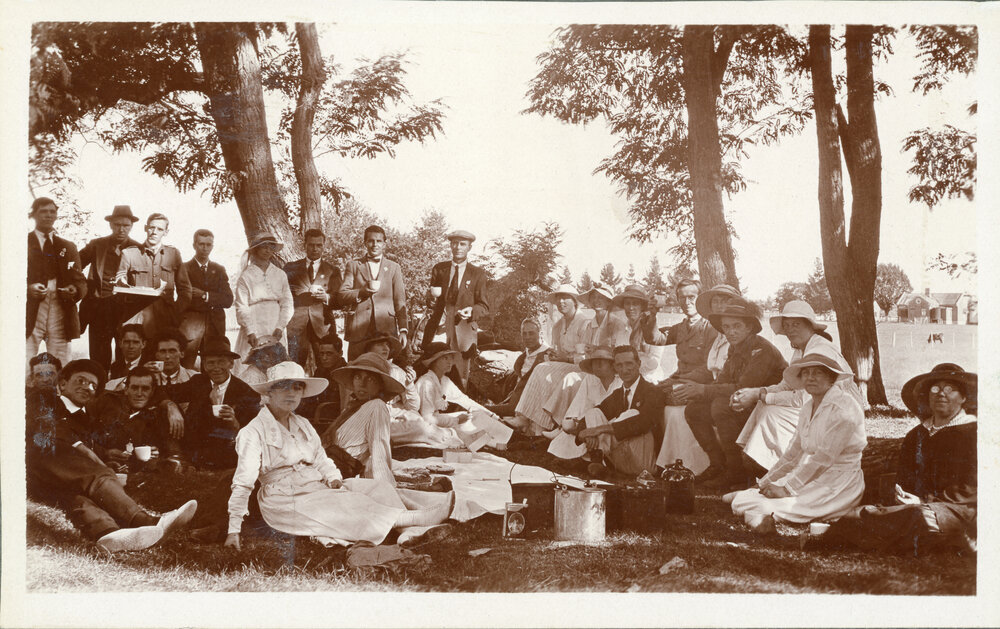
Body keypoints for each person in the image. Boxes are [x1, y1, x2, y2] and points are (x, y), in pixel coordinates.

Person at [225, 361, 453, 550]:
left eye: (297, 388)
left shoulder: (302, 424)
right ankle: (412, 520)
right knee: (348, 502)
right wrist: (233, 530)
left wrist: (333, 477)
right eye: (283, 387)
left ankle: (407, 532)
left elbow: (321, 459)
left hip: (315, 484)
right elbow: (243, 483)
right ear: (268, 393)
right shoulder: (252, 432)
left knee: (376, 488)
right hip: (284, 499)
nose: (291, 393)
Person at [26, 359, 197, 552]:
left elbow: (88, 445)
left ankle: (108, 533)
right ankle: (148, 520)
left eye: (93, 385)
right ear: (63, 383)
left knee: (78, 499)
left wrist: (107, 454)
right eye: (81, 381)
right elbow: (52, 430)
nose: (87, 387)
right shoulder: (45, 398)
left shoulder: (83, 417)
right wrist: (91, 455)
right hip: (38, 466)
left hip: (56, 482)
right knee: (97, 474)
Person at [816, 363, 977, 555]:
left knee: (920, 518)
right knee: (859, 515)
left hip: (957, 510)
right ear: (927, 396)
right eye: (935, 388)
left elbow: (970, 488)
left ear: (964, 397)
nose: (941, 393)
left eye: (950, 389)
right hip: (912, 508)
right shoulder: (916, 435)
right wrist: (905, 496)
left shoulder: (974, 433)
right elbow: (905, 478)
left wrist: (923, 501)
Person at [726, 354, 866, 533]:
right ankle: (749, 502)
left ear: (831, 378)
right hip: (813, 477)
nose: (811, 378)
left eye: (818, 373)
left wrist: (787, 489)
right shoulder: (807, 407)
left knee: (760, 505)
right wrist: (763, 483)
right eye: (806, 373)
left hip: (838, 484)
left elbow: (824, 459)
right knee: (755, 496)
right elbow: (792, 455)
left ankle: (756, 512)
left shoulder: (844, 408)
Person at [732, 300, 860, 473]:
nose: (790, 329)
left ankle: (771, 466)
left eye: (796, 324)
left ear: (810, 326)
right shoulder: (801, 350)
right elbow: (788, 385)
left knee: (771, 412)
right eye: (787, 325)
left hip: (837, 410)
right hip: (817, 405)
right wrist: (759, 392)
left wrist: (763, 396)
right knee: (765, 406)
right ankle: (758, 462)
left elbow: (806, 397)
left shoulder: (820, 350)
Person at [683, 298, 787, 489]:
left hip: (770, 406)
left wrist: (704, 390)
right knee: (694, 410)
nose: (730, 331)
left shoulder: (762, 350)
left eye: (736, 326)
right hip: (746, 404)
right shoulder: (735, 347)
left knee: (721, 406)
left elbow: (744, 386)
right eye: (726, 327)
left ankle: (737, 473)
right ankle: (718, 464)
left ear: (749, 328)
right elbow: (723, 381)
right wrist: (696, 392)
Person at [160, 338, 262, 468]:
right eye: (211, 363)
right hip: (192, 442)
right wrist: (170, 405)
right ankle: (177, 456)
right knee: (162, 409)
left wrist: (234, 423)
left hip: (225, 448)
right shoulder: (198, 382)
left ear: (231, 364)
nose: (216, 368)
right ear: (204, 365)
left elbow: (251, 432)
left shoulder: (246, 392)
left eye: (221, 362)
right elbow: (162, 391)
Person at [508, 286, 589, 435]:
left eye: (566, 298)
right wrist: (554, 354)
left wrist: (567, 358)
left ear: (575, 301)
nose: (561, 302)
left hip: (580, 367)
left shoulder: (584, 323)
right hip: (561, 365)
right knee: (543, 369)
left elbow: (586, 358)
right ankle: (532, 423)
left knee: (542, 369)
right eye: (558, 299)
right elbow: (557, 350)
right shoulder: (558, 326)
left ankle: (528, 419)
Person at [576, 345, 666, 476]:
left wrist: (599, 430)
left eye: (629, 364)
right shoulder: (618, 394)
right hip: (620, 456)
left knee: (632, 413)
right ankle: (599, 459)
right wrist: (582, 434)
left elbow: (644, 422)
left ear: (638, 364)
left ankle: (598, 457)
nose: (624, 370)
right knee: (593, 413)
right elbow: (591, 416)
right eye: (619, 365)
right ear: (615, 368)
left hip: (644, 462)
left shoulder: (652, 391)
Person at [320, 353, 401, 485]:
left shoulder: (377, 406)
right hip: (324, 467)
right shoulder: (354, 406)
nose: (362, 384)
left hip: (336, 473)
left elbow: (379, 452)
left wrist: (386, 489)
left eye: (370, 380)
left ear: (380, 385)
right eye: (358, 377)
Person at [412, 343, 510, 450]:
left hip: (437, 420)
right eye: (445, 358)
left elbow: (464, 400)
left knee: (476, 415)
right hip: (423, 425)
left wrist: (493, 416)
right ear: (434, 361)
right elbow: (427, 418)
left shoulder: (444, 380)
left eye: (451, 358)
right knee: (471, 420)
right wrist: (456, 420)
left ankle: (505, 439)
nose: (450, 362)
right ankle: (502, 442)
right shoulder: (427, 383)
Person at [421, 230, 490, 384]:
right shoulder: (439, 269)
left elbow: (484, 306)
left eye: (462, 244)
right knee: (432, 367)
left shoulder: (477, 273)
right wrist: (430, 299)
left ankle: (458, 404)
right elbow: (432, 300)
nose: (458, 247)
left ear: (469, 247)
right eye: (454, 243)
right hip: (440, 326)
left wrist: (472, 310)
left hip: (463, 329)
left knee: (461, 374)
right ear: (450, 246)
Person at [79, 205, 142, 370]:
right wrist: (83, 287)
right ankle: (99, 391)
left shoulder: (139, 249)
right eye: (117, 224)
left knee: (125, 356)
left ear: (131, 226)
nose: (121, 229)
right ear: (111, 225)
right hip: (99, 307)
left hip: (126, 310)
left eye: (126, 225)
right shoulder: (97, 245)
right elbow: (74, 265)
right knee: (98, 357)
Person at [26, 196, 87, 368]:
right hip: (30, 309)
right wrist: (27, 289)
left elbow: (80, 281)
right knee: (24, 355)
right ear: (34, 215)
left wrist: (74, 290)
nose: (48, 215)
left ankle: (59, 394)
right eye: (43, 211)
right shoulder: (22, 243)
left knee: (61, 359)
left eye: (52, 211)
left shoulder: (67, 247)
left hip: (60, 308)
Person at [114, 212, 193, 341]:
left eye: (160, 229)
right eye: (152, 227)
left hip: (166, 321)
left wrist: (174, 312)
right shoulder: (129, 253)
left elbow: (185, 290)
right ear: (146, 228)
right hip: (137, 321)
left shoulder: (173, 254)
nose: (154, 232)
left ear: (166, 232)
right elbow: (119, 283)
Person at [338, 225, 408, 360]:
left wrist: (403, 329)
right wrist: (361, 292)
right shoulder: (353, 265)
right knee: (357, 367)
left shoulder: (394, 267)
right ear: (365, 243)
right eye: (370, 241)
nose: (374, 244)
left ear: (384, 244)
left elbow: (400, 301)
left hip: (385, 329)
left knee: (384, 370)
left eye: (379, 241)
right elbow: (342, 295)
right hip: (359, 329)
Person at [641, 278, 718, 401]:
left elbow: (708, 368)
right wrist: (652, 315)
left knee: (656, 399)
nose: (687, 302)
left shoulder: (710, 328)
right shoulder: (681, 327)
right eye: (682, 297)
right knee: (646, 393)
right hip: (679, 381)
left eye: (691, 297)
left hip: (699, 385)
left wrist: (675, 380)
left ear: (700, 299)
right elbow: (655, 339)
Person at [547, 347, 622, 460]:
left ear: (612, 365)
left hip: (610, 430)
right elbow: (579, 405)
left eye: (602, 361)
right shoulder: (590, 379)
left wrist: (591, 430)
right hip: (588, 425)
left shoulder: (620, 383)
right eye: (595, 362)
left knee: (594, 414)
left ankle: (596, 456)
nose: (598, 365)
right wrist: (581, 428)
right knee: (571, 430)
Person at [233, 233, 294, 367]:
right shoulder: (246, 276)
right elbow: (242, 306)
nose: (267, 250)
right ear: (255, 250)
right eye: (263, 247)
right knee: (252, 362)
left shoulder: (280, 274)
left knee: (277, 360)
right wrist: (250, 331)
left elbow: (287, 303)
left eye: (271, 247)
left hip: (275, 321)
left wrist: (280, 326)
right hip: (254, 321)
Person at [284, 228, 343, 368]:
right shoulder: (290, 268)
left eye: (319, 245)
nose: (315, 249)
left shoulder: (333, 270)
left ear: (324, 246)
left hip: (323, 326)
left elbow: (340, 300)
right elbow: (282, 294)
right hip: (296, 325)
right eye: (311, 245)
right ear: (304, 245)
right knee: (294, 366)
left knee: (327, 365)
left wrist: (326, 297)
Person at [178, 229, 234, 369]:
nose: (205, 248)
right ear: (194, 245)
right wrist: (214, 298)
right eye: (201, 244)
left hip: (215, 324)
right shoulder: (184, 268)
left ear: (212, 246)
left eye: (208, 244)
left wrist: (205, 295)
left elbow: (228, 300)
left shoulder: (219, 269)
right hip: (191, 324)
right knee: (187, 363)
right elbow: (185, 297)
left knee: (213, 364)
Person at [486, 318, 552, 417]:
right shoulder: (526, 354)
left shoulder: (548, 355)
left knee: (482, 410)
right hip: (514, 397)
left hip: (528, 404)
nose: (527, 337)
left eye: (531, 333)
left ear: (541, 334)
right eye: (524, 334)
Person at [297, 333, 349, 428]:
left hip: (335, 419)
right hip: (318, 415)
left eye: (329, 353)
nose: (324, 358)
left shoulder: (345, 372)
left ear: (340, 353)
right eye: (322, 354)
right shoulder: (320, 371)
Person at [580, 284, 629, 352]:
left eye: (600, 297)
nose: (596, 300)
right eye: (593, 297)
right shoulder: (590, 325)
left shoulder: (617, 324)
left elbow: (620, 352)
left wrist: (596, 349)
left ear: (609, 302)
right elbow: (584, 346)